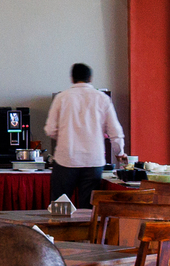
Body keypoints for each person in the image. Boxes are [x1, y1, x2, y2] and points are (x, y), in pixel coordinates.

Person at [42, 63, 122, 208]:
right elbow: (115, 131)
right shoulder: (102, 98)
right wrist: (119, 152)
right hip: (93, 161)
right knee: (89, 209)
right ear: (90, 78)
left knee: (59, 207)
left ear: (72, 78)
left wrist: (66, 137)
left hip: (66, 159)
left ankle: (58, 231)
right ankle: (87, 231)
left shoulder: (61, 98)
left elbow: (50, 129)